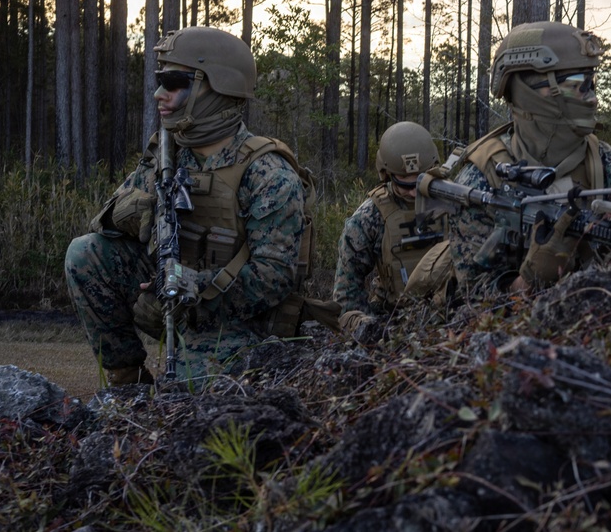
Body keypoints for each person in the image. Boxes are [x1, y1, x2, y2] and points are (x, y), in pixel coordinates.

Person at [65, 26, 307, 386]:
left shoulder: (267, 172)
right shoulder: (168, 155)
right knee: (85, 253)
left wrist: (196, 286)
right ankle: (127, 383)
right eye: (159, 80)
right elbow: (103, 223)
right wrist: (133, 213)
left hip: (238, 323)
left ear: (217, 88)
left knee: (190, 391)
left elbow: (274, 279)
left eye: (173, 82)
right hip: (170, 304)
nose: (158, 94)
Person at [445, 20, 611, 295]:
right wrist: (528, 281)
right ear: (530, 94)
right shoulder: (482, 179)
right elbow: (472, 297)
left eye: (591, 82)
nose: (592, 98)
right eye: (577, 84)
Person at [333, 122, 446, 333]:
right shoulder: (368, 218)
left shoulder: (454, 202)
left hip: (453, 314)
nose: (413, 192)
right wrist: (368, 328)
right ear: (386, 173)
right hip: (393, 318)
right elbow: (347, 293)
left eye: (421, 180)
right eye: (404, 183)